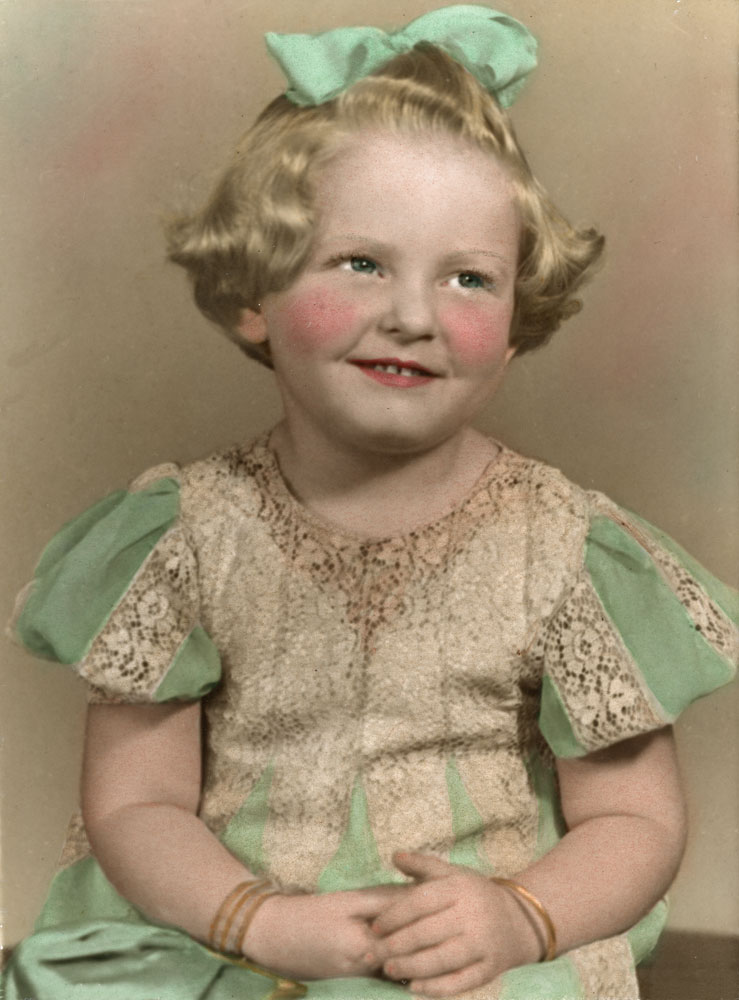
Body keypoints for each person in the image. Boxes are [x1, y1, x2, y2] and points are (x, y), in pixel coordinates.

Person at [4, 6, 737, 1000]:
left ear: (516, 323)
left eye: (468, 279)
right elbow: (135, 801)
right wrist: (256, 918)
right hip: (225, 924)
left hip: (467, 942)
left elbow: (634, 821)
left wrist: (520, 918)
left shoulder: (569, 549)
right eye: (362, 262)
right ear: (253, 291)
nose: (412, 314)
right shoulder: (183, 534)